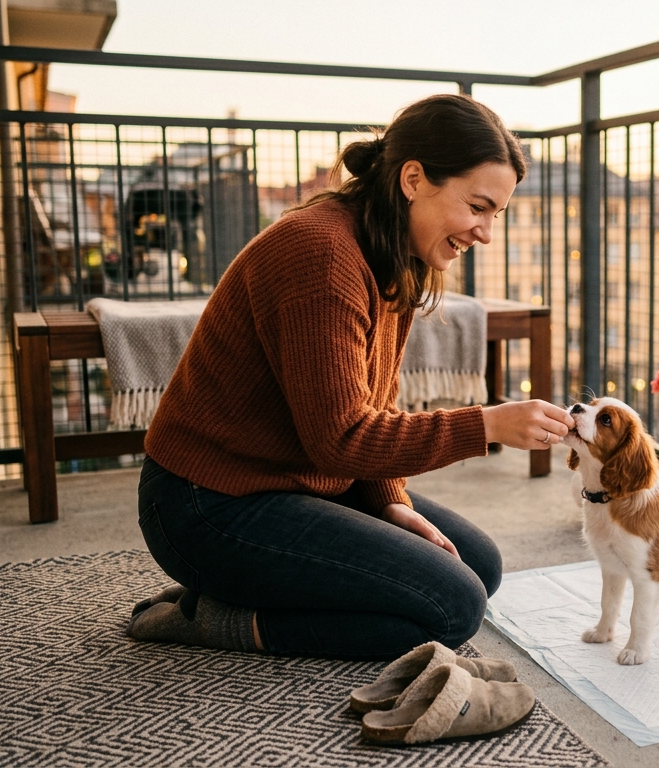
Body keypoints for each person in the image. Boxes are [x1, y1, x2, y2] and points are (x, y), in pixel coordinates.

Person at [129, 94, 575, 660]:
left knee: (479, 567)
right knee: (453, 608)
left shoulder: (393, 254)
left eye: (497, 213)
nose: (485, 232)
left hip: (299, 482)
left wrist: (389, 500)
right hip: (207, 504)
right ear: (414, 178)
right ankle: (215, 618)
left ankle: (263, 589)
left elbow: (374, 406)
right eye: (478, 206)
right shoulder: (320, 253)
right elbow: (342, 439)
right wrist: (485, 424)